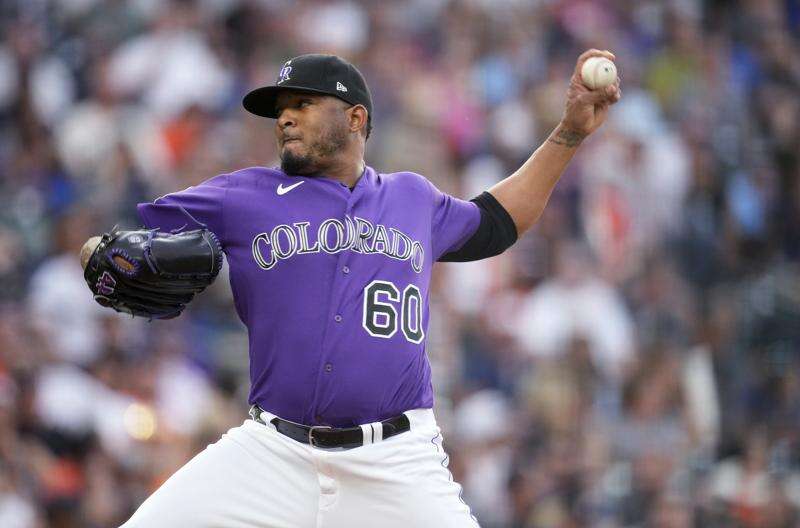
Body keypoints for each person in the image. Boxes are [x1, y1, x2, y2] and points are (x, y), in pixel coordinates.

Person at [98, 50, 620, 527]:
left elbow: (498, 223)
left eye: (302, 103)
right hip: (272, 453)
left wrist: (568, 134)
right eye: (280, 109)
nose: (284, 117)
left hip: (394, 459)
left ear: (356, 118)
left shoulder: (412, 198)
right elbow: (116, 242)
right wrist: (98, 257)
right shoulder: (242, 195)